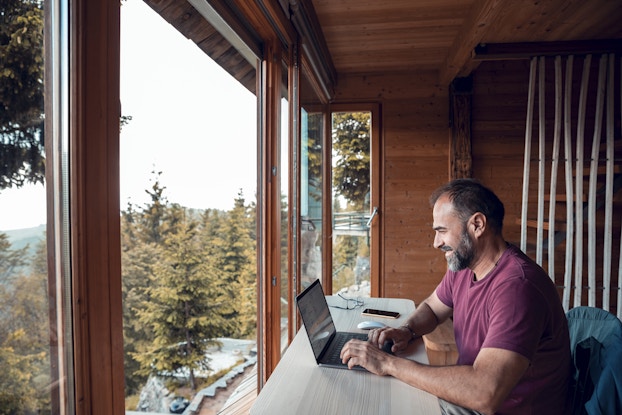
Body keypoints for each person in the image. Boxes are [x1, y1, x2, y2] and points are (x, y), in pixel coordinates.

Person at [340, 179, 570, 415]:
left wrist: (388, 363)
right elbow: (432, 307)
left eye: (442, 231)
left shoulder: (518, 288)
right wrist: (407, 330)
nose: (436, 242)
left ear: (477, 225)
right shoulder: (465, 267)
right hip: (472, 398)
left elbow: (484, 393)